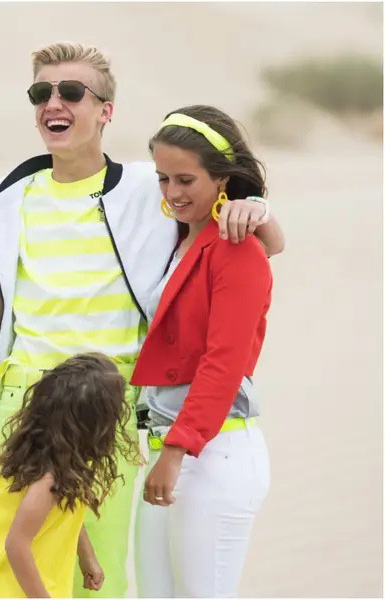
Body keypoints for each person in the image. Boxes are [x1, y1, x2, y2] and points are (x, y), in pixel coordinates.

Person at [0, 42, 285, 598]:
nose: (54, 102)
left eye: (72, 92)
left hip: (107, 408)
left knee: (95, 576)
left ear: (106, 110)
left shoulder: (150, 187)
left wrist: (261, 210)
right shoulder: (4, 196)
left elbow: (215, 206)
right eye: (41, 93)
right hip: (20, 406)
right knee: (8, 567)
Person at [130, 105, 273, 597]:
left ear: (222, 178)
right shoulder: (176, 239)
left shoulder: (236, 247)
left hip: (215, 454)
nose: (172, 193)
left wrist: (176, 450)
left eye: (186, 179)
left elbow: (225, 362)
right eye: (163, 178)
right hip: (169, 448)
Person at [0, 353, 138, 598]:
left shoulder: (61, 463)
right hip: (2, 585)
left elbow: (67, 509)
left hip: (18, 578)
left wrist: (86, 555)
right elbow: (16, 545)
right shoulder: (49, 480)